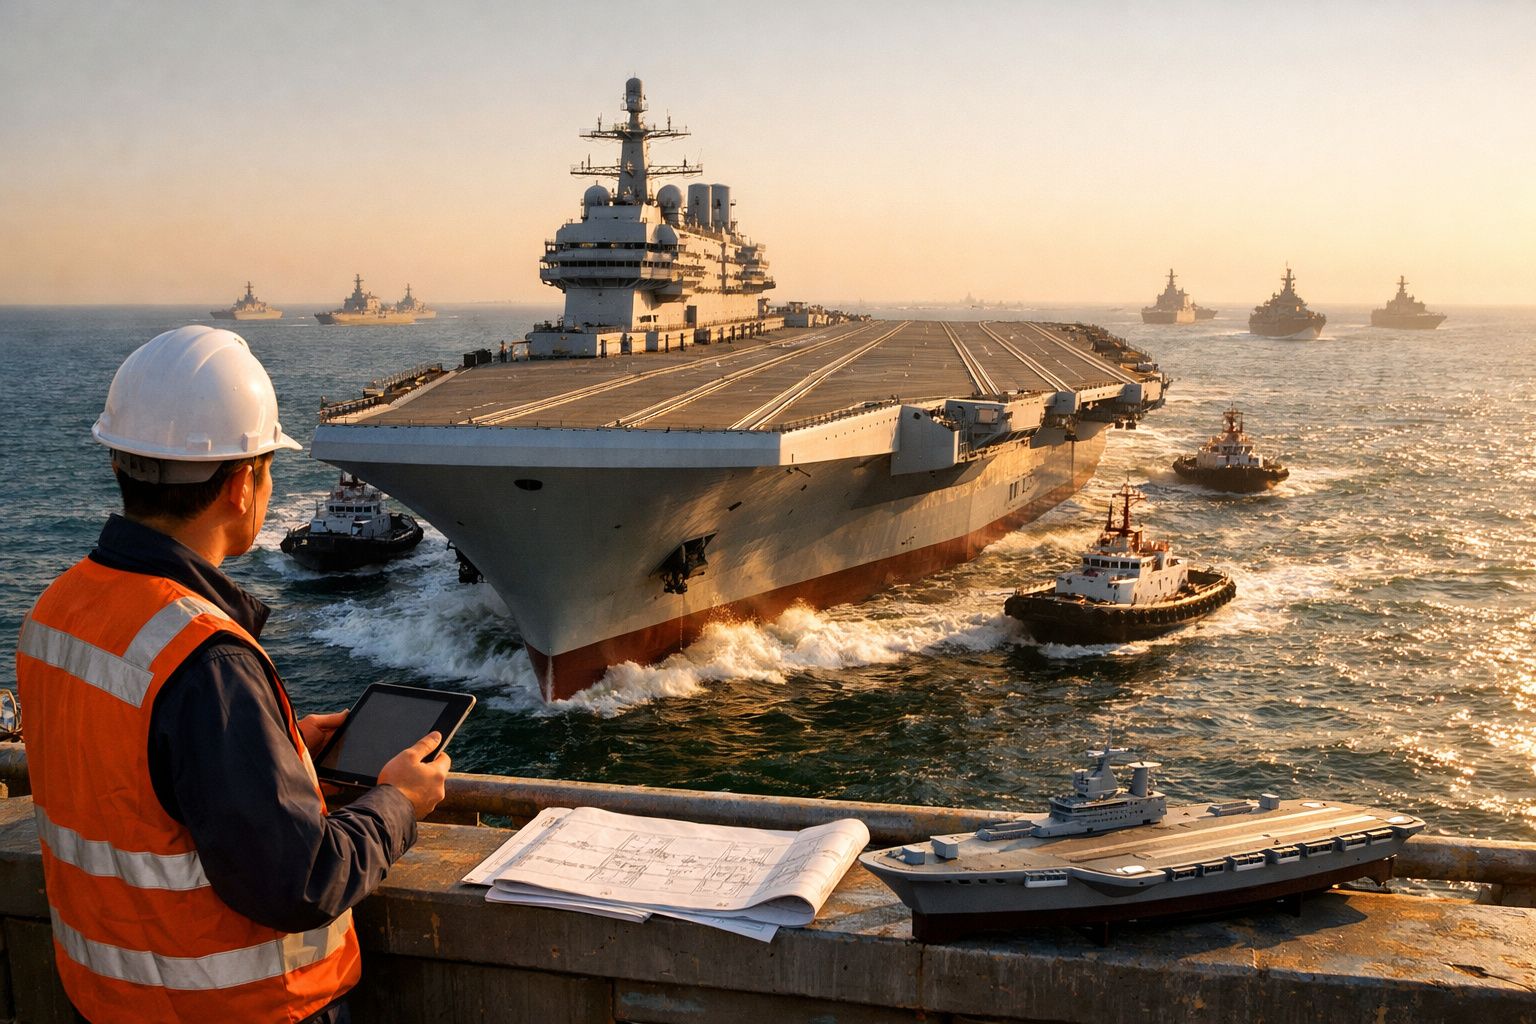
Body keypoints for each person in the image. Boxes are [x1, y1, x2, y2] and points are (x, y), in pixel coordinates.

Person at [15, 325, 450, 1024]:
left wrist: (286, 754)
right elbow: (299, 881)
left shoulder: (55, 611)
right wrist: (398, 802)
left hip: (102, 1001)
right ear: (243, 485)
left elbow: (129, 776)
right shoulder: (205, 658)